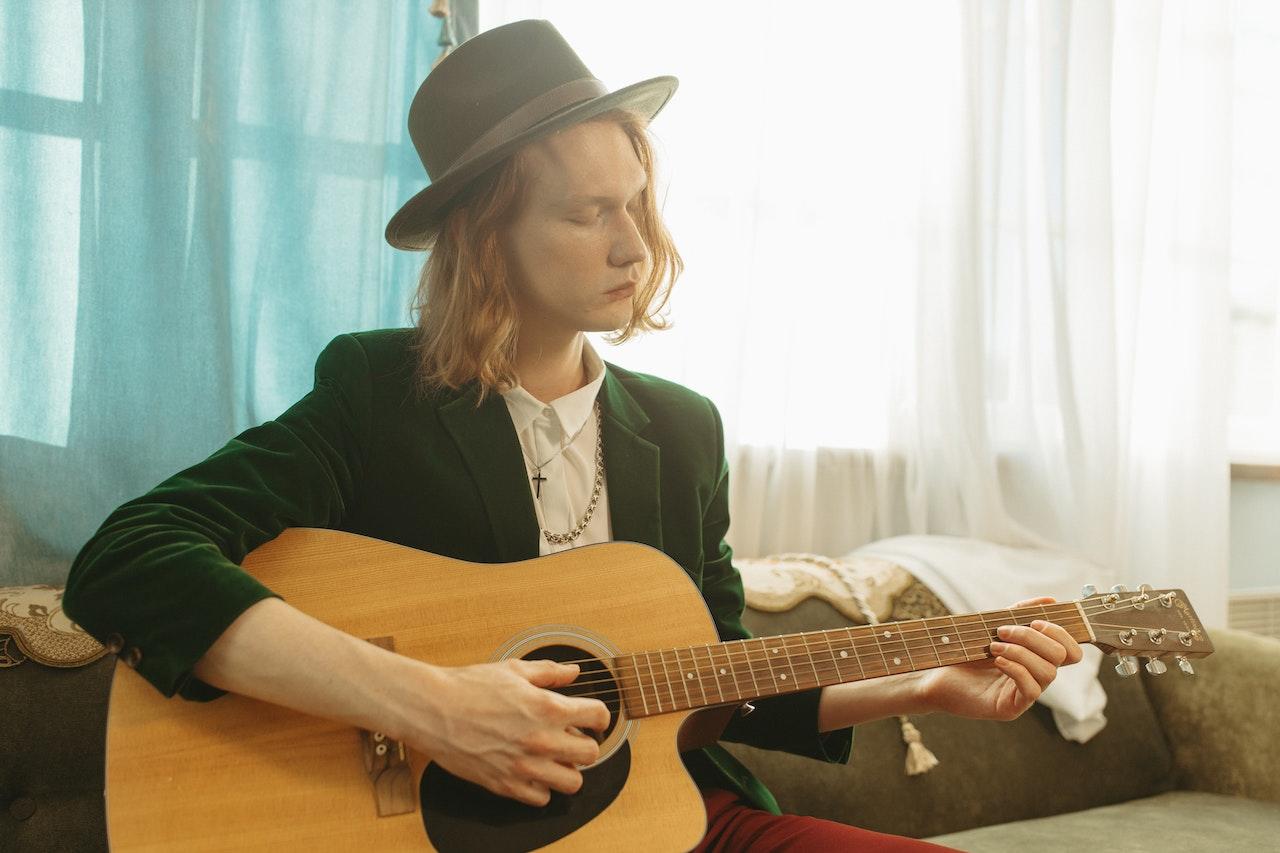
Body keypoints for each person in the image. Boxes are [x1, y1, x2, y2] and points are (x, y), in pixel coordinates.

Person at [63, 19, 1083, 851]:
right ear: (484, 234)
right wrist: (432, 705)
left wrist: (927, 681)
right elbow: (129, 561)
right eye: (589, 212)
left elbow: (713, 681)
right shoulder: (374, 393)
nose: (635, 245)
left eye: (636, 204)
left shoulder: (682, 432)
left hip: (662, 822)